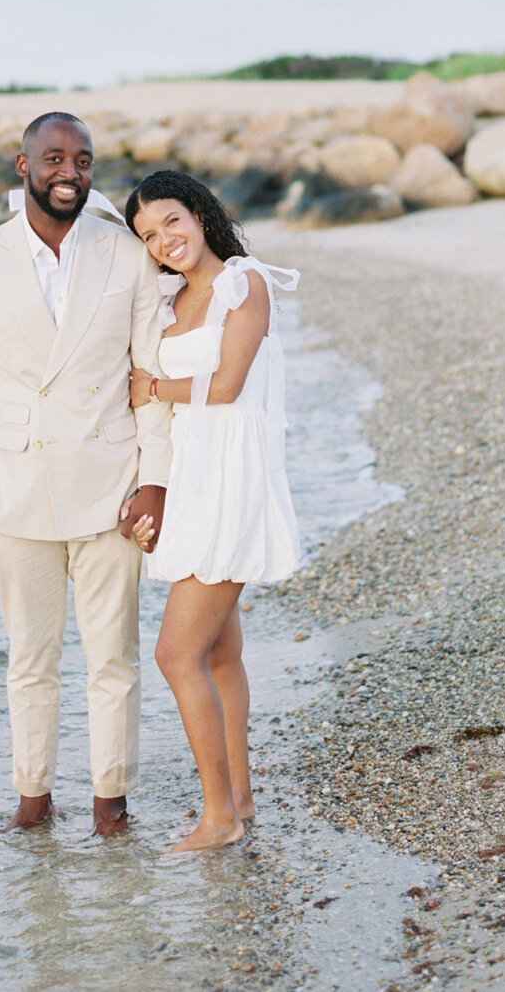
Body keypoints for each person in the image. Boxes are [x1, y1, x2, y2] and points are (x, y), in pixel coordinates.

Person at [0, 113, 173, 836]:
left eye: (84, 160)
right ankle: (32, 800)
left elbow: (150, 370)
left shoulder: (127, 253)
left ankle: (110, 806)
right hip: (13, 490)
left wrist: (154, 477)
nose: (70, 172)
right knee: (30, 661)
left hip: (113, 486)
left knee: (113, 660)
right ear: (23, 163)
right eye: (55, 157)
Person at [124, 170, 300, 853]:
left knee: (177, 652)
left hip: (234, 478)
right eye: (148, 235)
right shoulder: (169, 301)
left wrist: (154, 385)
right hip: (195, 477)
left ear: (198, 212)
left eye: (171, 220)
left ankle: (218, 816)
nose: (164, 240)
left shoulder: (243, 282)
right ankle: (242, 802)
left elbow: (226, 383)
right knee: (220, 652)